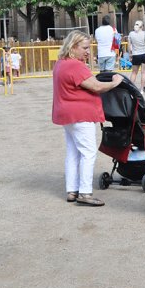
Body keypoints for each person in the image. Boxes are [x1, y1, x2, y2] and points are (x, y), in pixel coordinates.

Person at [52, 30, 123, 206]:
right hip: (80, 114)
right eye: (84, 47)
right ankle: (84, 192)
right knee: (88, 152)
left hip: (66, 114)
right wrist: (115, 82)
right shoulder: (75, 66)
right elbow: (96, 86)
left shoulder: (61, 63)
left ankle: (72, 190)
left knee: (73, 152)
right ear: (73, 47)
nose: (87, 51)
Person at [127, 21, 145, 90]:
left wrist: (130, 54)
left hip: (135, 54)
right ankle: (141, 89)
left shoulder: (131, 34)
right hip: (144, 54)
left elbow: (129, 45)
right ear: (142, 26)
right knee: (144, 72)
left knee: (134, 73)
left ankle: (130, 88)